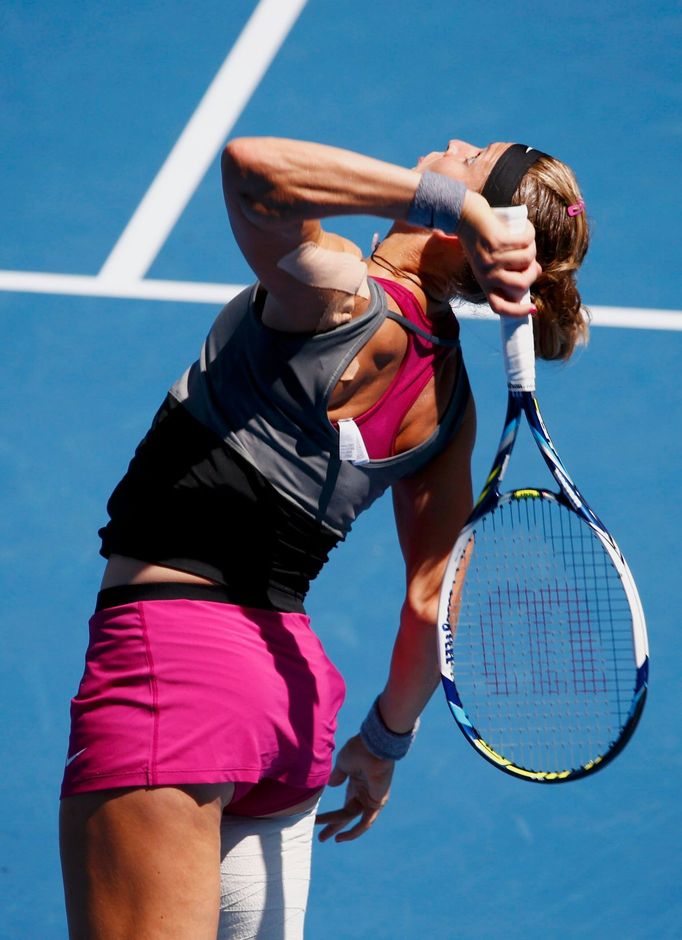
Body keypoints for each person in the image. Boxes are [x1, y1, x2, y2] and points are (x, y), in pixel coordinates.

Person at [59, 136, 589, 939]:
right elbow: (431, 602)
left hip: (172, 676)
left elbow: (254, 170)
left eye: (471, 158)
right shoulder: (448, 403)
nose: (448, 146)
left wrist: (457, 205)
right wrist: (382, 742)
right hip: (287, 713)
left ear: (468, 225)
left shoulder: (342, 292)